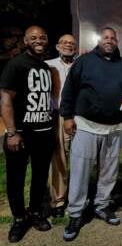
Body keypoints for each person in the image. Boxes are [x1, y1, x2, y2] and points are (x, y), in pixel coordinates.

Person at [60, 27, 122, 241]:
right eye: (106, 37)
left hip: (115, 128)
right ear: (99, 40)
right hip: (86, 125)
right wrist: (67, 117)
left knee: (109, 171)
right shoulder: (84, 62)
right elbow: (69, 89)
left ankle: (102, 206)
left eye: (113, 38)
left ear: (116, 42)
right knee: (80, 171)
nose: (109, 41)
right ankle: (75, 213)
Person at [0, 26, 55, 242]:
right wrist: (12, 132)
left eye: (42, 37)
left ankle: (34, 212)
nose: (39, 40)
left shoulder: (44, 66)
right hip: (21, 134)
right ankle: (19, 218)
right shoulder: (16, 65)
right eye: (33, 38)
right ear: (25, 40)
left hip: (44, 133)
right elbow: (5, 100)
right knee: (16, 179)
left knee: (40, 177)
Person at [46, 34, 77, 218]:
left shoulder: (81, 65)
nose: (68, 45)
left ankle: (78, 197)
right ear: (58, 46)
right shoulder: (48, 65)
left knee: (81, 159)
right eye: (65, 43)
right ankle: (58, 200)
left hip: (80, 116)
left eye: (72, 43)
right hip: (58, 116)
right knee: (59, 159)